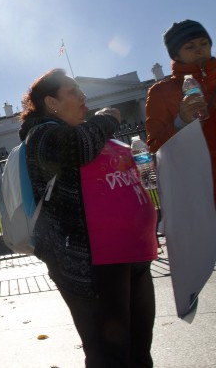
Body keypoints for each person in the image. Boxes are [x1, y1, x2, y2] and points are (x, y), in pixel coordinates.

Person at [20, 68, 157, 367]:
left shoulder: (89, 133)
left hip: (133, 256)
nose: (83, 97)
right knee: (109, 356)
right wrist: (107, 119)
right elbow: (78, 148)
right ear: (51, 102)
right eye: (72, 92)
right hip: (88, 263)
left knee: (139, 351)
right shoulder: (42, 135)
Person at [145, 19, 216, 204]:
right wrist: (181, 122)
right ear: (176, 54)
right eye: (190, 46)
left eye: (204, 43)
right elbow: (155, 146)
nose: (199, 50)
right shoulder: (161, 92)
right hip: (199, 191)